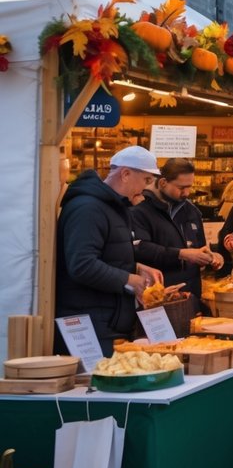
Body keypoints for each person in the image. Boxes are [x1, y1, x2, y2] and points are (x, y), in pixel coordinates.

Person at [55, 146, 165, 354]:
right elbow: (82, 264)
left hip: (105, 320)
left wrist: (136, 267)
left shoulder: (113, 207)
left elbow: (106, 255)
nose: (146, 188)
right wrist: (130, 279)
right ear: (125, 174)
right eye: (146, 180)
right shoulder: (88, 208)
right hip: (88, 322)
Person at [132, 158, 223, 316]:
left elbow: (200, 248)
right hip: (156, 303)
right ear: (163, 183)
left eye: (190, 187)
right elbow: (140, 249)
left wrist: (212, 257)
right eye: (182, 187)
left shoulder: (192, 211)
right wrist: (181, 254)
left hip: (191, 300)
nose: (187, 193)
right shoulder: (140, 211)